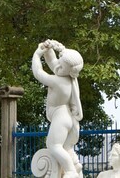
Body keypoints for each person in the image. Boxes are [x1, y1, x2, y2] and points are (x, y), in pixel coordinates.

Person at [32, 40, 84, 178]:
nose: (58, 65)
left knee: (53, 146)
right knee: (65, 148)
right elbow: (54, 64)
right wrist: (48, 49)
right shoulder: (69, 77)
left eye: (62, 65)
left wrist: (37, 55)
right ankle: (74, 163)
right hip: (68, 117)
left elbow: (38, 73)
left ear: (67, 69)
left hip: (61, 117)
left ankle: (70, 170)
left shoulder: (58, 81)